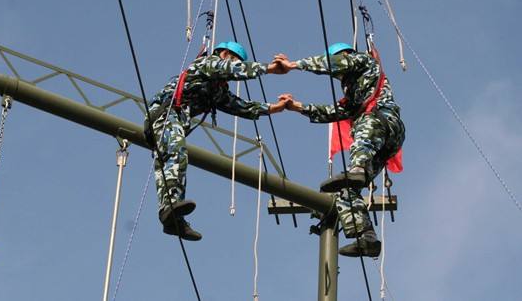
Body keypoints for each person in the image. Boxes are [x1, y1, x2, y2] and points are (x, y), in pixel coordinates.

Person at [145, 41, 288, 241]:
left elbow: (241, 107)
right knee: (176, 152)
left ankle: (171, 216)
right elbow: (231, 68)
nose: (234, 68)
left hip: (174, 120)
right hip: (165, 114)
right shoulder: (207, 64)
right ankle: (170, 205)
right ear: (224, 54)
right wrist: (270, 69)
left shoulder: (216, 90)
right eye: (235, 60)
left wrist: (276, 107)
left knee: (175, 159)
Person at [274, 42, 405, 257]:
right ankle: (366, 237)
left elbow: (334, 63)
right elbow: (333, 112)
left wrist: (293, 65)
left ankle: (357, 170)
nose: (339, 77)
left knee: (363, 129)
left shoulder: (364, 61)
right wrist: (297, 107)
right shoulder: (354, 95)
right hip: (386, 141)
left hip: (382, 120)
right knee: (347, 192)